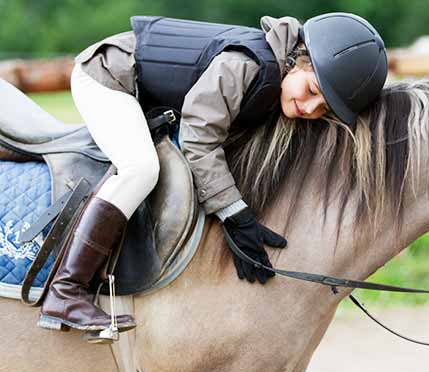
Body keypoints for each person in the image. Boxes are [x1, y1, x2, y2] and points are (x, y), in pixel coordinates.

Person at [37, 12, 388, 336]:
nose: (309, 108)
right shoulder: (245, 65)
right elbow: (198, 137)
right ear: (296, 61)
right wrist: (235, 214)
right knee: (140, 169)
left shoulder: (276, 79)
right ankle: (66, 289)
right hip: (107, 77)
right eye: (312, 91)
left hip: (142, 90)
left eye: (322, 107)